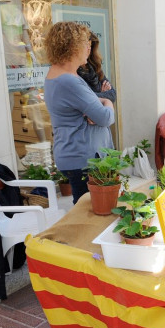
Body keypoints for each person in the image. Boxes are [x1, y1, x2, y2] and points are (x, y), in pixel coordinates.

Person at [44, 22, 115, 204]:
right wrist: (107, 101)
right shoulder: (69, 81)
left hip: (77, 156)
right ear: (72, 47)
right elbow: (106, 117)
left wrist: (97, 104)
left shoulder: (58, 75)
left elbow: (93, 108)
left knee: (88, 211)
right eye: (85, 44)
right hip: (84, 160)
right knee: (91, 215)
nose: (88, 49)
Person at [77, 32, 116, 103]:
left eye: (90, 46)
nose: (89, 49)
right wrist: (102, 93)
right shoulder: (73, 71)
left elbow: (113, 94)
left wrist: (99, 95)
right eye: (87, 46)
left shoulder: (94, 67)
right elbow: (83, 98)